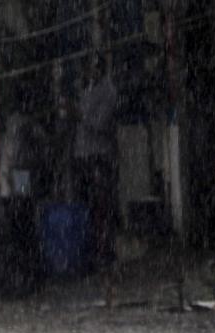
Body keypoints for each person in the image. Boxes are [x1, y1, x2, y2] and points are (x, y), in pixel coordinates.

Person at [72, 53, 120, 304]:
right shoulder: (87, 89)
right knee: (90, 209)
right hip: (85, 157)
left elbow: (99, 124)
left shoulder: (108, 91)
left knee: (103, 208)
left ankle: (106, 257)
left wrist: (79, 116)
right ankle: (94, 255)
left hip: (100, 156)